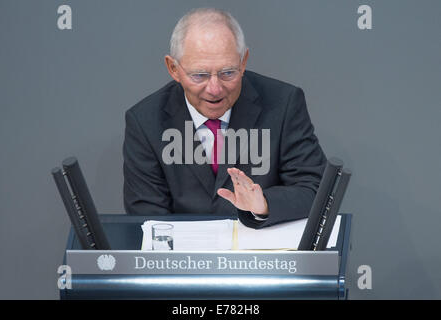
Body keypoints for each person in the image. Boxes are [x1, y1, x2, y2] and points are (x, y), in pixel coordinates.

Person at [123, 8, 326, 229]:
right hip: (184, 258)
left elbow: (315, 188)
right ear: (173, 68)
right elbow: (147, 215)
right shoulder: (144, 121)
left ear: (244, 61)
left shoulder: (284, 103)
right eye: (199, 75)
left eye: (227, 72)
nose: (215, 88)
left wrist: (264, 204)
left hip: (262, 257)